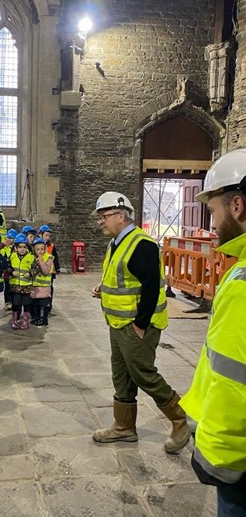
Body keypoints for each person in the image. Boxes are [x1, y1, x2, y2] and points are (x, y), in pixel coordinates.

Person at [91, 191, 190, 454]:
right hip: (117, 323)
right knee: (121, 375)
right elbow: (126, 278)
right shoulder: (116, 244)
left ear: (120, 216)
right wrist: (104, 287)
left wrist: (141, 323)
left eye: (104, 216)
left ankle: (180, 419)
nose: (100, 221)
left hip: (136, 326)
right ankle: (124, 428)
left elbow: (150, 287)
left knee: (143, 374)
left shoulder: (141, 244)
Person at [179, 148, 246, 516]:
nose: (211, 222)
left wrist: (216, 459)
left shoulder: (242, 283)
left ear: (237, 206)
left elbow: (234, 382)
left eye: (213, 210)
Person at [8, 233, 36, 330]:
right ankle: (15, 320)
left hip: (26, 286)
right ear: (16, 247)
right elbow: (7, 267)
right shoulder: (12, 256)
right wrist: (11, 271)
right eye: (20, 247)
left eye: (24, 247)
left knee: (26, 304)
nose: (22, 249)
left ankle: (25, 320)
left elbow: (36, 268)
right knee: (15, 304)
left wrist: (31, 273)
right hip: (15, 286)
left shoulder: (31, 257)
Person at [30, 237, 54, 326]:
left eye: (42, 249)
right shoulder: (32, 257)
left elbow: (45, 271)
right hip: (35, 285)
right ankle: (36, 317)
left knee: (44, 303)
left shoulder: (49, 258)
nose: (40, 251)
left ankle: (44, 319)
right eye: (37, 249)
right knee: (35, 303)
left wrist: (40, 262)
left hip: (45, 286)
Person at [38, 224, 60, 312]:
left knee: (49, 287)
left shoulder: (51, 246)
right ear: (40, 235)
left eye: (49, 236)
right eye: (46, 235)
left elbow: (55, 257)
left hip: (50, 271)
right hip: (39, 270)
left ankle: (48, 304)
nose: (47, 237)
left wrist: (57, 268)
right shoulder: (37, 245)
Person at [1, 229, 18, 310]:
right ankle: (7, 302)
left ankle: (13, 301)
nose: (9, 240)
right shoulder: (4, 248)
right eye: (8, 238)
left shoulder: (17, 248)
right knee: (7, 287)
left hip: (15, 271)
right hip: (7, 271)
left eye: (11, 238)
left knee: (13, 288)